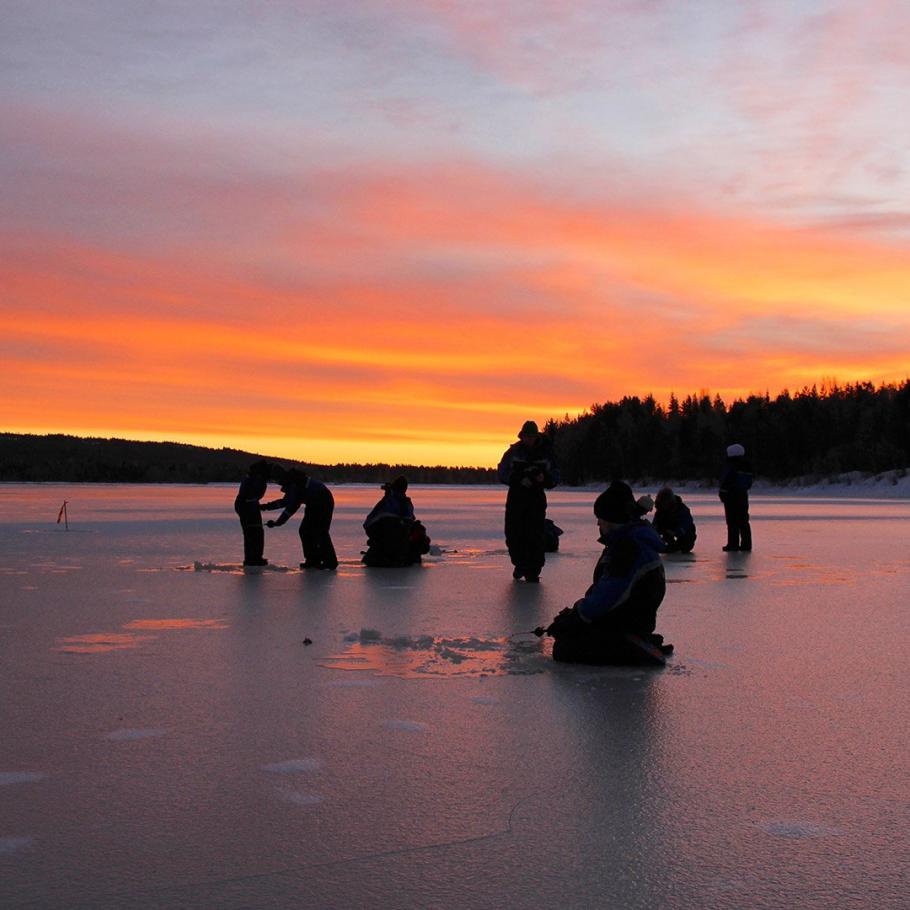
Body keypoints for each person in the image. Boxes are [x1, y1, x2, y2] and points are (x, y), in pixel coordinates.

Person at [544, 481, 671, 665]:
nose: (597, 522)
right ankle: (636, 639)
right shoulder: (627, 540)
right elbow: (603, 588)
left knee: (565, 649)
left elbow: (609, 594)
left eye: (600, 517)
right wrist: (576, 612)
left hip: (626, 620)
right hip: (627, 618)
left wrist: (577, 617)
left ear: (612, 519)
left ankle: (636, 646)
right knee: (575, 634)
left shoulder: (627, 548)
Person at [497, 420, 559, 582]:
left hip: (536, 498)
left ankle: (533, 570)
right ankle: (520, 564)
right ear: (522, 436)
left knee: (535, 534)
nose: (528, 439)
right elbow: (502, 472)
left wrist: (543, 478)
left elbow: (555, 476)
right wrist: (518, 479)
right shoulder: (514, 452)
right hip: (516, 497)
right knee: (513, 532)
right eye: (526, 436)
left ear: (536, 436)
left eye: (531, 436)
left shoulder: (546, 453)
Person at [261, 468, 338, 569]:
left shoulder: (294, 484)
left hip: (322, 501)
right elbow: (286, 501)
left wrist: (279, 522)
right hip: (316, 501)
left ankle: (327, 561)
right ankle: (314, 560)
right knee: (308, 531)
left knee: (318, 532)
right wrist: (265, 507)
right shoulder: (293, 481)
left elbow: (291, 506)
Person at [362, 476, 430, 567]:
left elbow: (368, 524)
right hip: (403, 556)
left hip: (384, 554)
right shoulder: (407, 504)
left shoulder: (387, 502)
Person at [234, 460, 271, 567]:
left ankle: (254, 558)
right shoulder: (254, 479)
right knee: (253, 532)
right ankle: (252, 559)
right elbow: (250, 495)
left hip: (249, 504)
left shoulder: (254, 478)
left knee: (256, 531)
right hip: (246, 505)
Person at [719, 443, 753, 552]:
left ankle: (733, 544)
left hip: (731, 496)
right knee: (743, 520)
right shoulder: (747, 466)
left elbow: (726, 480)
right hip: (743, 495)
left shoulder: (731, 466)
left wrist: (723, 492)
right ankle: (746, 545)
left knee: (732, 521)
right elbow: (749, 482)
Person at [653, 486, 697, 553]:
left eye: (666, 501)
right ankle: (667, 545)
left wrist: (676, 533)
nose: (664, 504)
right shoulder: (660, 510)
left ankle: (680, 546)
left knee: (688, 535)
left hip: (683, 533)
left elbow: (686, 523)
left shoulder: (681, 509)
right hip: (667, 532)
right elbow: (655, 524)